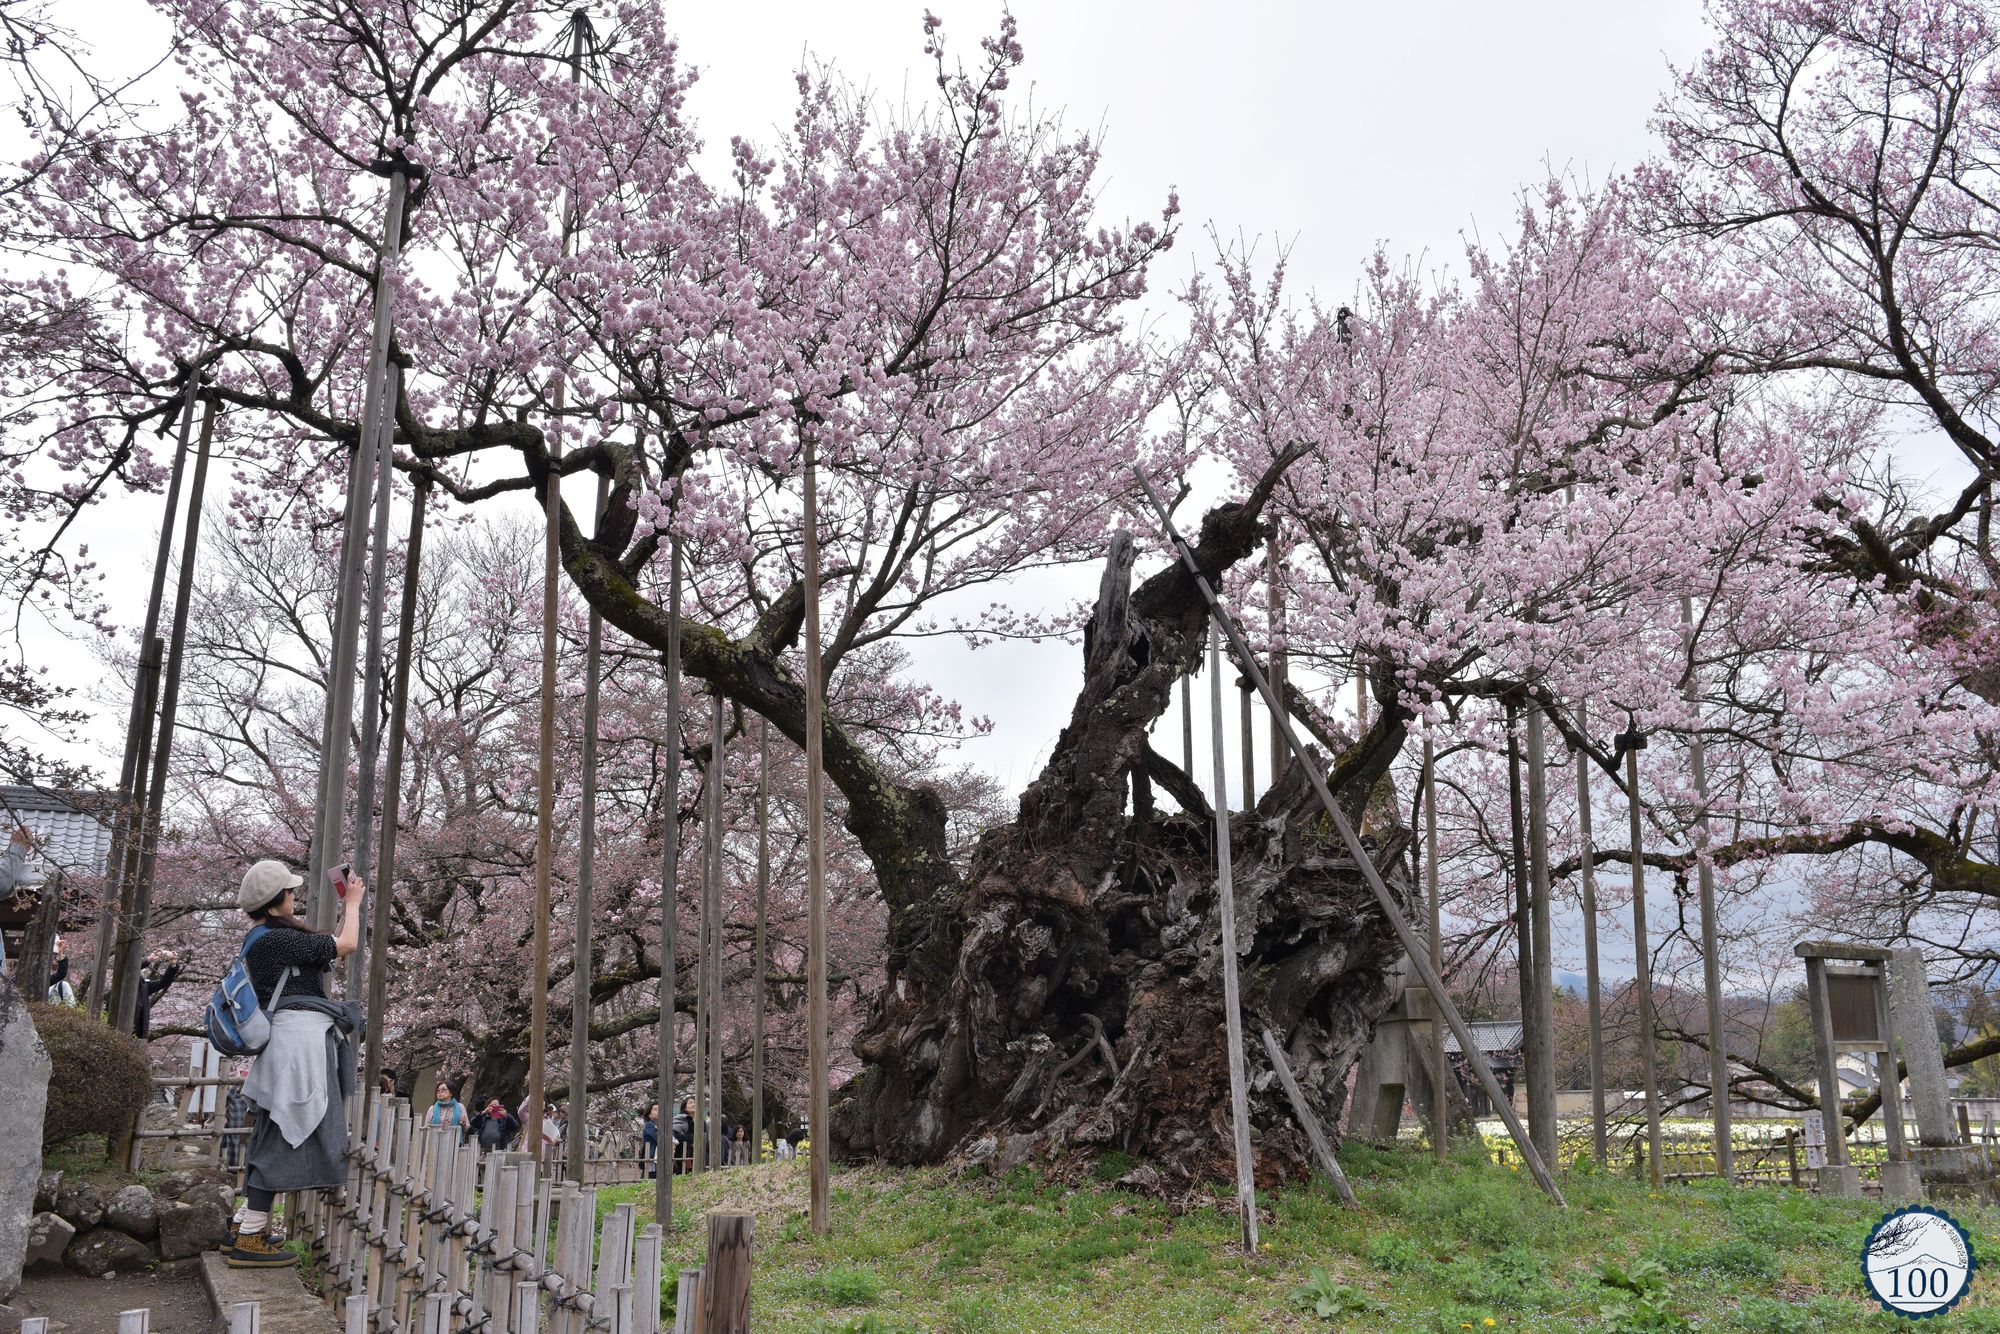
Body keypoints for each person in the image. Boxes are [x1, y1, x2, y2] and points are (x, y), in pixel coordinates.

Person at [228, 858, 364, 1269]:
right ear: (274, 902)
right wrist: (354, 905)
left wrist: (346, 912)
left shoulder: (265, 939)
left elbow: (329, 950)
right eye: (289, 892)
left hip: (289, 1041)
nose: (294, 896)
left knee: (274, 1126)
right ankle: (250, 1235)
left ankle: (243, 1224)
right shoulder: (275, 940)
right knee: (287, 1128)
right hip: (297, 1045)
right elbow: (347, 946)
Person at [135, 951, 183, 1040]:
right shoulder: (125, 979)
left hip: (139, 1030)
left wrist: (172, 966)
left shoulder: (143, 985)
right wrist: (149, 959)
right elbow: (131, 969)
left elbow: (163, 983)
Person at [671, 1097, 694, 1175]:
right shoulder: (679, 1119)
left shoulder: (702, 1121)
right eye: (690, 1103)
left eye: (695, 1102)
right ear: (685, 1107)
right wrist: (691, 1138)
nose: (694, 1104)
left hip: (696, 1153)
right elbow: (676, 1134)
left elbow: (704, 1136)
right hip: (681, 1152)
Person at [641, 1103, 660, 1178]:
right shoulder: (650, 1125)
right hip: (651, 1156)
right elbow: (658, 1138)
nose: (658, 1111)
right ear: (649, 1114)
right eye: (655, 1109)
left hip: (655, 1156)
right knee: (650, 1177)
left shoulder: (657, 1125)